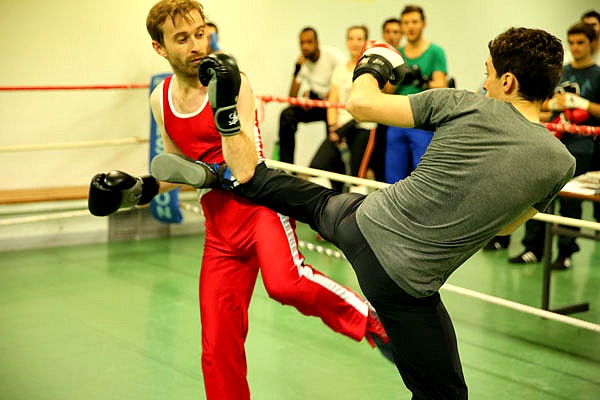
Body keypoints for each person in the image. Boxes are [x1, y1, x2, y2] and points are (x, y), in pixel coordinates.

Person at [153, 29, 575, 399]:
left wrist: (372, 63)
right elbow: (506, 225)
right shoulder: (560, 163)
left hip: (361, 220)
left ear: (508, 80)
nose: (483, 83)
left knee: (296, 194)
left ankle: (226, 172)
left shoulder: (462, 104)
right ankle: (224, 172)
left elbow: (360, 104)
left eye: (487, 73)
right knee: (442, 391)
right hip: (402, 283)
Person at [88, 1, 391, 399]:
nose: (197, 44)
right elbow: (179, 167)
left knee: (287, 284)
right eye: (182, 38)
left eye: (200, 33)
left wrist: (225, 110)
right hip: (220, 232)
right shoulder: (160, 99)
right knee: (217, 347)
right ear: (159, 48)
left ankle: (376, 324)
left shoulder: (235, 82)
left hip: (260, 209)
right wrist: (138, 190)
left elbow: (245, 169)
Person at [509, 22, 600, 269]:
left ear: (591, 43)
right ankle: (532, 248)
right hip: (549, 138)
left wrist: (582, 105)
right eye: (571, 42)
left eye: (581, 42)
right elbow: (539, 102)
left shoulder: (597, 74)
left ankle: (566, 252)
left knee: (571, 202)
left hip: (581, 144)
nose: (575, 47)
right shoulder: (561, 70)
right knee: (539, 195)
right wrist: (553, 106)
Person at [308, 25, 376, 192]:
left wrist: (342, 130)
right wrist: (333, 128)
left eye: (359, 39)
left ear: (365, 42)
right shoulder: (339, 70)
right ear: (346, 41)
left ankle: (357, 215)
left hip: (361, 128)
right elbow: (333, 101)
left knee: (355, 178)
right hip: (338, 129)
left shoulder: (370, 70)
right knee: (317, 166)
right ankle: (332, 209)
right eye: (351, 38)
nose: (355, 43)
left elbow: (367, 106)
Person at [385, 5, 448, 183]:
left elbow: (441, 86)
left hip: (422, 120)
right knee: (392, 177)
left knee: (423, 176)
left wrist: (422, 80)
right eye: (406, 23)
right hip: (396, 118)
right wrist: (399, 78)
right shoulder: (397, 54)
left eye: (414, 22)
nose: (410, 26)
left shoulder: (435, 52)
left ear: (423, 24)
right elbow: (387, 91)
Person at [277, 27, 343, 164]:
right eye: (301, 43)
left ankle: (336, 175)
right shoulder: (303, 63)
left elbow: (346, 79)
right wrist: (296, 70)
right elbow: (292, 98)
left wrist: (331, 94)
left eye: (309, 42)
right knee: (287, 115)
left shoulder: (333, 56)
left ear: (317, 43)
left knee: (332, 136)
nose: (305, 46)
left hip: (334, 104)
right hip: (316, 101)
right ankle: (286, 167)